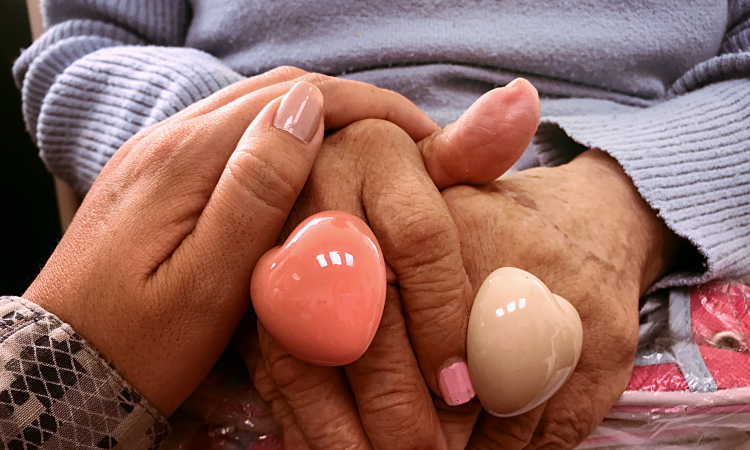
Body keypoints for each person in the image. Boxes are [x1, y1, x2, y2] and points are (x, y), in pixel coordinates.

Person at [9, 0, 750, 448]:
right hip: (243, 264)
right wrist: (270, 157)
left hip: (672, 247)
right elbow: (82, 55)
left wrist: (621, 211)